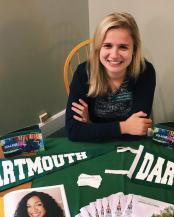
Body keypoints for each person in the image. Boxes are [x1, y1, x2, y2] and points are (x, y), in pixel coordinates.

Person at [65, 12, 156, 142]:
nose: (114, 55)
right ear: (98, 48)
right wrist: (124, 127)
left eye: (123, 47)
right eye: (107, 45)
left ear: (134, 49)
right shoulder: (83, 72)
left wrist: (91, 126)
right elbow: (74, 131)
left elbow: (136, 133)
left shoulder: (145, 72)